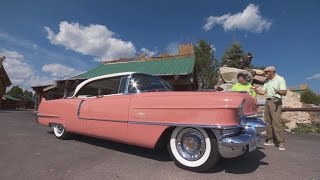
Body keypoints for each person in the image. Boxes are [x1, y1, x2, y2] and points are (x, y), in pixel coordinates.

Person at [251, 66, 287, 151]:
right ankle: (270, 139)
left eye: (266, 72)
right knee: (267, 121)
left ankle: (281, 142)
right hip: (268, 101)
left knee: (276, 121)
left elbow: (284, 92)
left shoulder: (280, 79)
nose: (265, 74)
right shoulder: (267, 81)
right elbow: (263, 92)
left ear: (272, 72)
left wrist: (278, 91)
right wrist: (256, 90)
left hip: (276, 101)